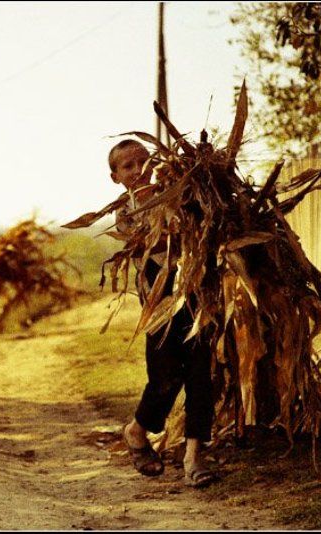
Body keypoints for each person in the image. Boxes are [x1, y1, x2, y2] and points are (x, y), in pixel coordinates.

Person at [108, 139, 216, 488]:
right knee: (165, 376)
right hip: (158, 300)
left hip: (196, 291)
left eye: (144, 161)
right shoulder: (125, 213)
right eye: (128, 166)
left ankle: (194, 455)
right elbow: (151, 243)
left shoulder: (181, 193)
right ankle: (137, 432)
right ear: (116, 177)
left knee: (202, 370)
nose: (139, 169)